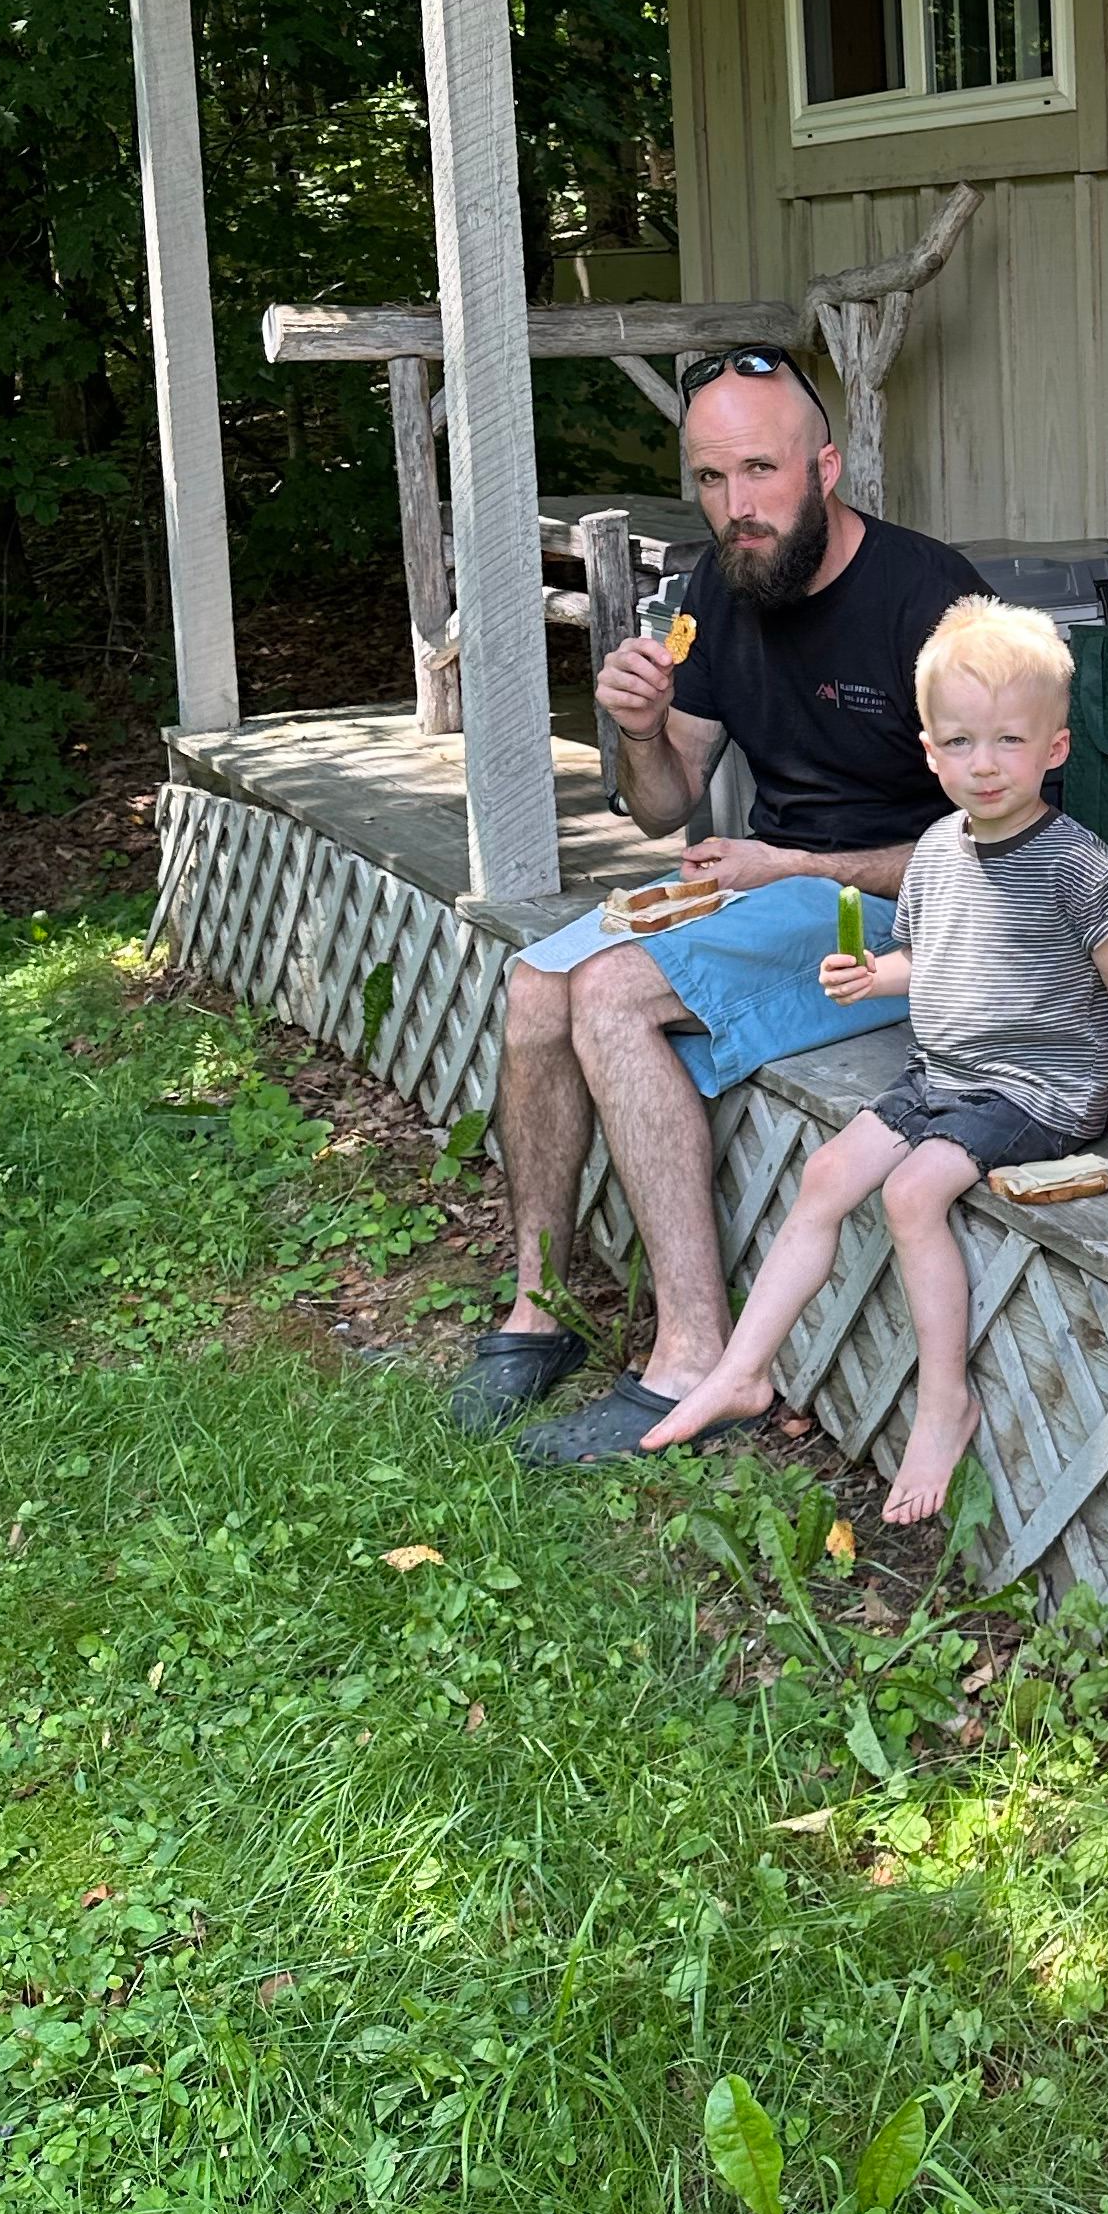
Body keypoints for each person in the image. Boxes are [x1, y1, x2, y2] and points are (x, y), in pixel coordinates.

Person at [465, 347, 984, 1461]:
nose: (738, 508)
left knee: (610, 995)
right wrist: (642, 728)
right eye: (712, 478)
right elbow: (664, 808)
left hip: (901, 907)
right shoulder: (716, 586)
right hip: (762, 878)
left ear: (826, 466)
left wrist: (799, 871)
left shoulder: (930, 601)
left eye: (762, 471)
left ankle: (697, 1356)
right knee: (536, 981)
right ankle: (540, 1307)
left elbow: (998, 843)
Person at [637, 595, 1108, 1519]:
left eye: (1007, 741)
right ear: (928, 752)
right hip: (948, 1075)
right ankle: (740, 1372)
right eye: (958, 743)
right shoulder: (935, 850)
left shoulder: (1077, 861)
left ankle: (943, 1402)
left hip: (1042, 1084)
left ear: (1056, 749)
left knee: (911, 1192)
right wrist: (873, 980)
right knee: (828, 1173)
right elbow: (929, 958)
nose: (984, 764)